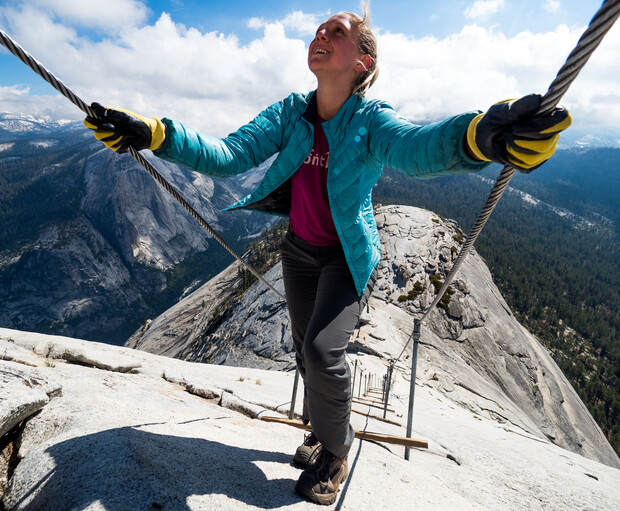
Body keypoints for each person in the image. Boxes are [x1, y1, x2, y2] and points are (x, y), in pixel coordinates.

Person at [84, 4, 571, 506]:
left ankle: (335, 451)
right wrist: (157, 135)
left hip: (346, 257)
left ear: (361, 61)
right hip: (297, 251)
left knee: (321, 351)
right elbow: (227, 155)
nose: (321, 34)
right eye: (319, 29)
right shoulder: (289, 112)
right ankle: (320, 427)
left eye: (336, 32)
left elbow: (417, 149)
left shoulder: (370, 121)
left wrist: (478, 135)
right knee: (303, 351)